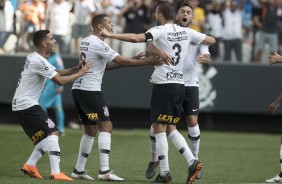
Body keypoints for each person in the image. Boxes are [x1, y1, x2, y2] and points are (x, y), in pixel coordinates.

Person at [101, 1, 215, 183]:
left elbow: (137, 38)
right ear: (175, 15)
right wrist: (203, 43)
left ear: (159, 14)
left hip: (165, 83)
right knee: (170, 128)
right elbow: (210, 40)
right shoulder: (188, 32)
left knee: (159, 128)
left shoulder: (160, 30)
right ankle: (185, 163)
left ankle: (169, 171)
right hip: (179, 85)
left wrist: (110, 34)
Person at [70, 14, 163, 181]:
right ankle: (104, 171)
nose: (112, 26)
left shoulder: (86, 40)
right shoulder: (98, 43)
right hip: (90, 90)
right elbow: (121, 60)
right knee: (106, 126)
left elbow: (106, 65)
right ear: (100, 27)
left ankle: (78, 170)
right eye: (109, 23)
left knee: (90, 130)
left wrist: (127, 61)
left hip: (79, 88)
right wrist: (148, 61)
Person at [12, 30, 91, 181]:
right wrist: (81, 73)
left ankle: (30, 165)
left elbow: (56, 72)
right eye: (51, 39)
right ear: (44, 43)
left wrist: (76, 69)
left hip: (23, 104)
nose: (54, 41)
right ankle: (56, 172)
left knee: (43, 139)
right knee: (53, 131)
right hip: (26, 104)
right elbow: (60, 80)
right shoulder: (38, 61)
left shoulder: (36, 58)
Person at [145, 2, 211, 182]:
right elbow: (150, 45)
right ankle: (155, 161)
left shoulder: (194, 34)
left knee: (181, 123)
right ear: (176, 15)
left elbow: (208, 47)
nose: (185, 14)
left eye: (188, 12)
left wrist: (205, 57)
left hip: (186, 83)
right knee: (162, 126)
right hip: (176, 83)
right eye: (182, 11)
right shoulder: (169, 30)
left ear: (192, 17)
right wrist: (154, 52)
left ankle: (191, 162)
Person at [39, 50, 65, 135]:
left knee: (41, 104)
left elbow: (61, 70)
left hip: (53, 86)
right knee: (58, 108)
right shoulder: (54, 57)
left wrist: (59, 86)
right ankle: (61, 129)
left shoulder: (56, 58)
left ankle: (45, 127)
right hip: (54, 85)